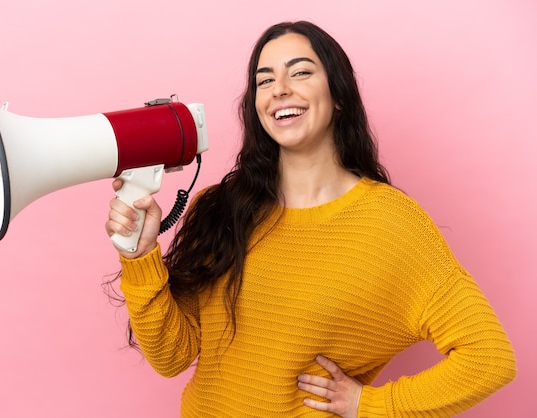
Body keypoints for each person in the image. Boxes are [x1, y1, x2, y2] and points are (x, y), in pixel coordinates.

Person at [105, 21, 516, 417]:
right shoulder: (221, 208)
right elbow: (172, 357)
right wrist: (141, 257)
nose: (279, 89)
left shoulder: (392, 225)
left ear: (338, 95)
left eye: (299, 72)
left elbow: (489, 358)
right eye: (264, 81)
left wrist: (370, 406)